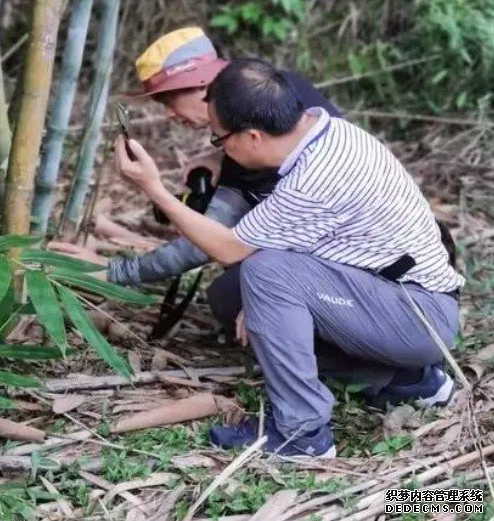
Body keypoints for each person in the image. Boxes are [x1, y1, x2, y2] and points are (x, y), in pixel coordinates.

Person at [112, 58, 464, 458]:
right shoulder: (324, 130)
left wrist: (154, 190)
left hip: (418, 315)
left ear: (254, 136)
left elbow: (228, 247)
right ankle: (406, 380)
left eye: (219, 140)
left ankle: (303, 433)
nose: (220, 150)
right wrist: (265, 305)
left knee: (265, 273)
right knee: (231, 295)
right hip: (389, 296)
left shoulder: (316, 176)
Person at [49, 27, 341, 335]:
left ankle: (357, 368)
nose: (169, 115)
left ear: (201, 84)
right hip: (329, 252)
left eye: (169, 99)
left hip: (350, 265)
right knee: (232, 291)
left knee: (229, 297)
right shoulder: (276, 94)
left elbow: (206, 247)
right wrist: (221, 155)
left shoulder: (279, 122)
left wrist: (112, 271)